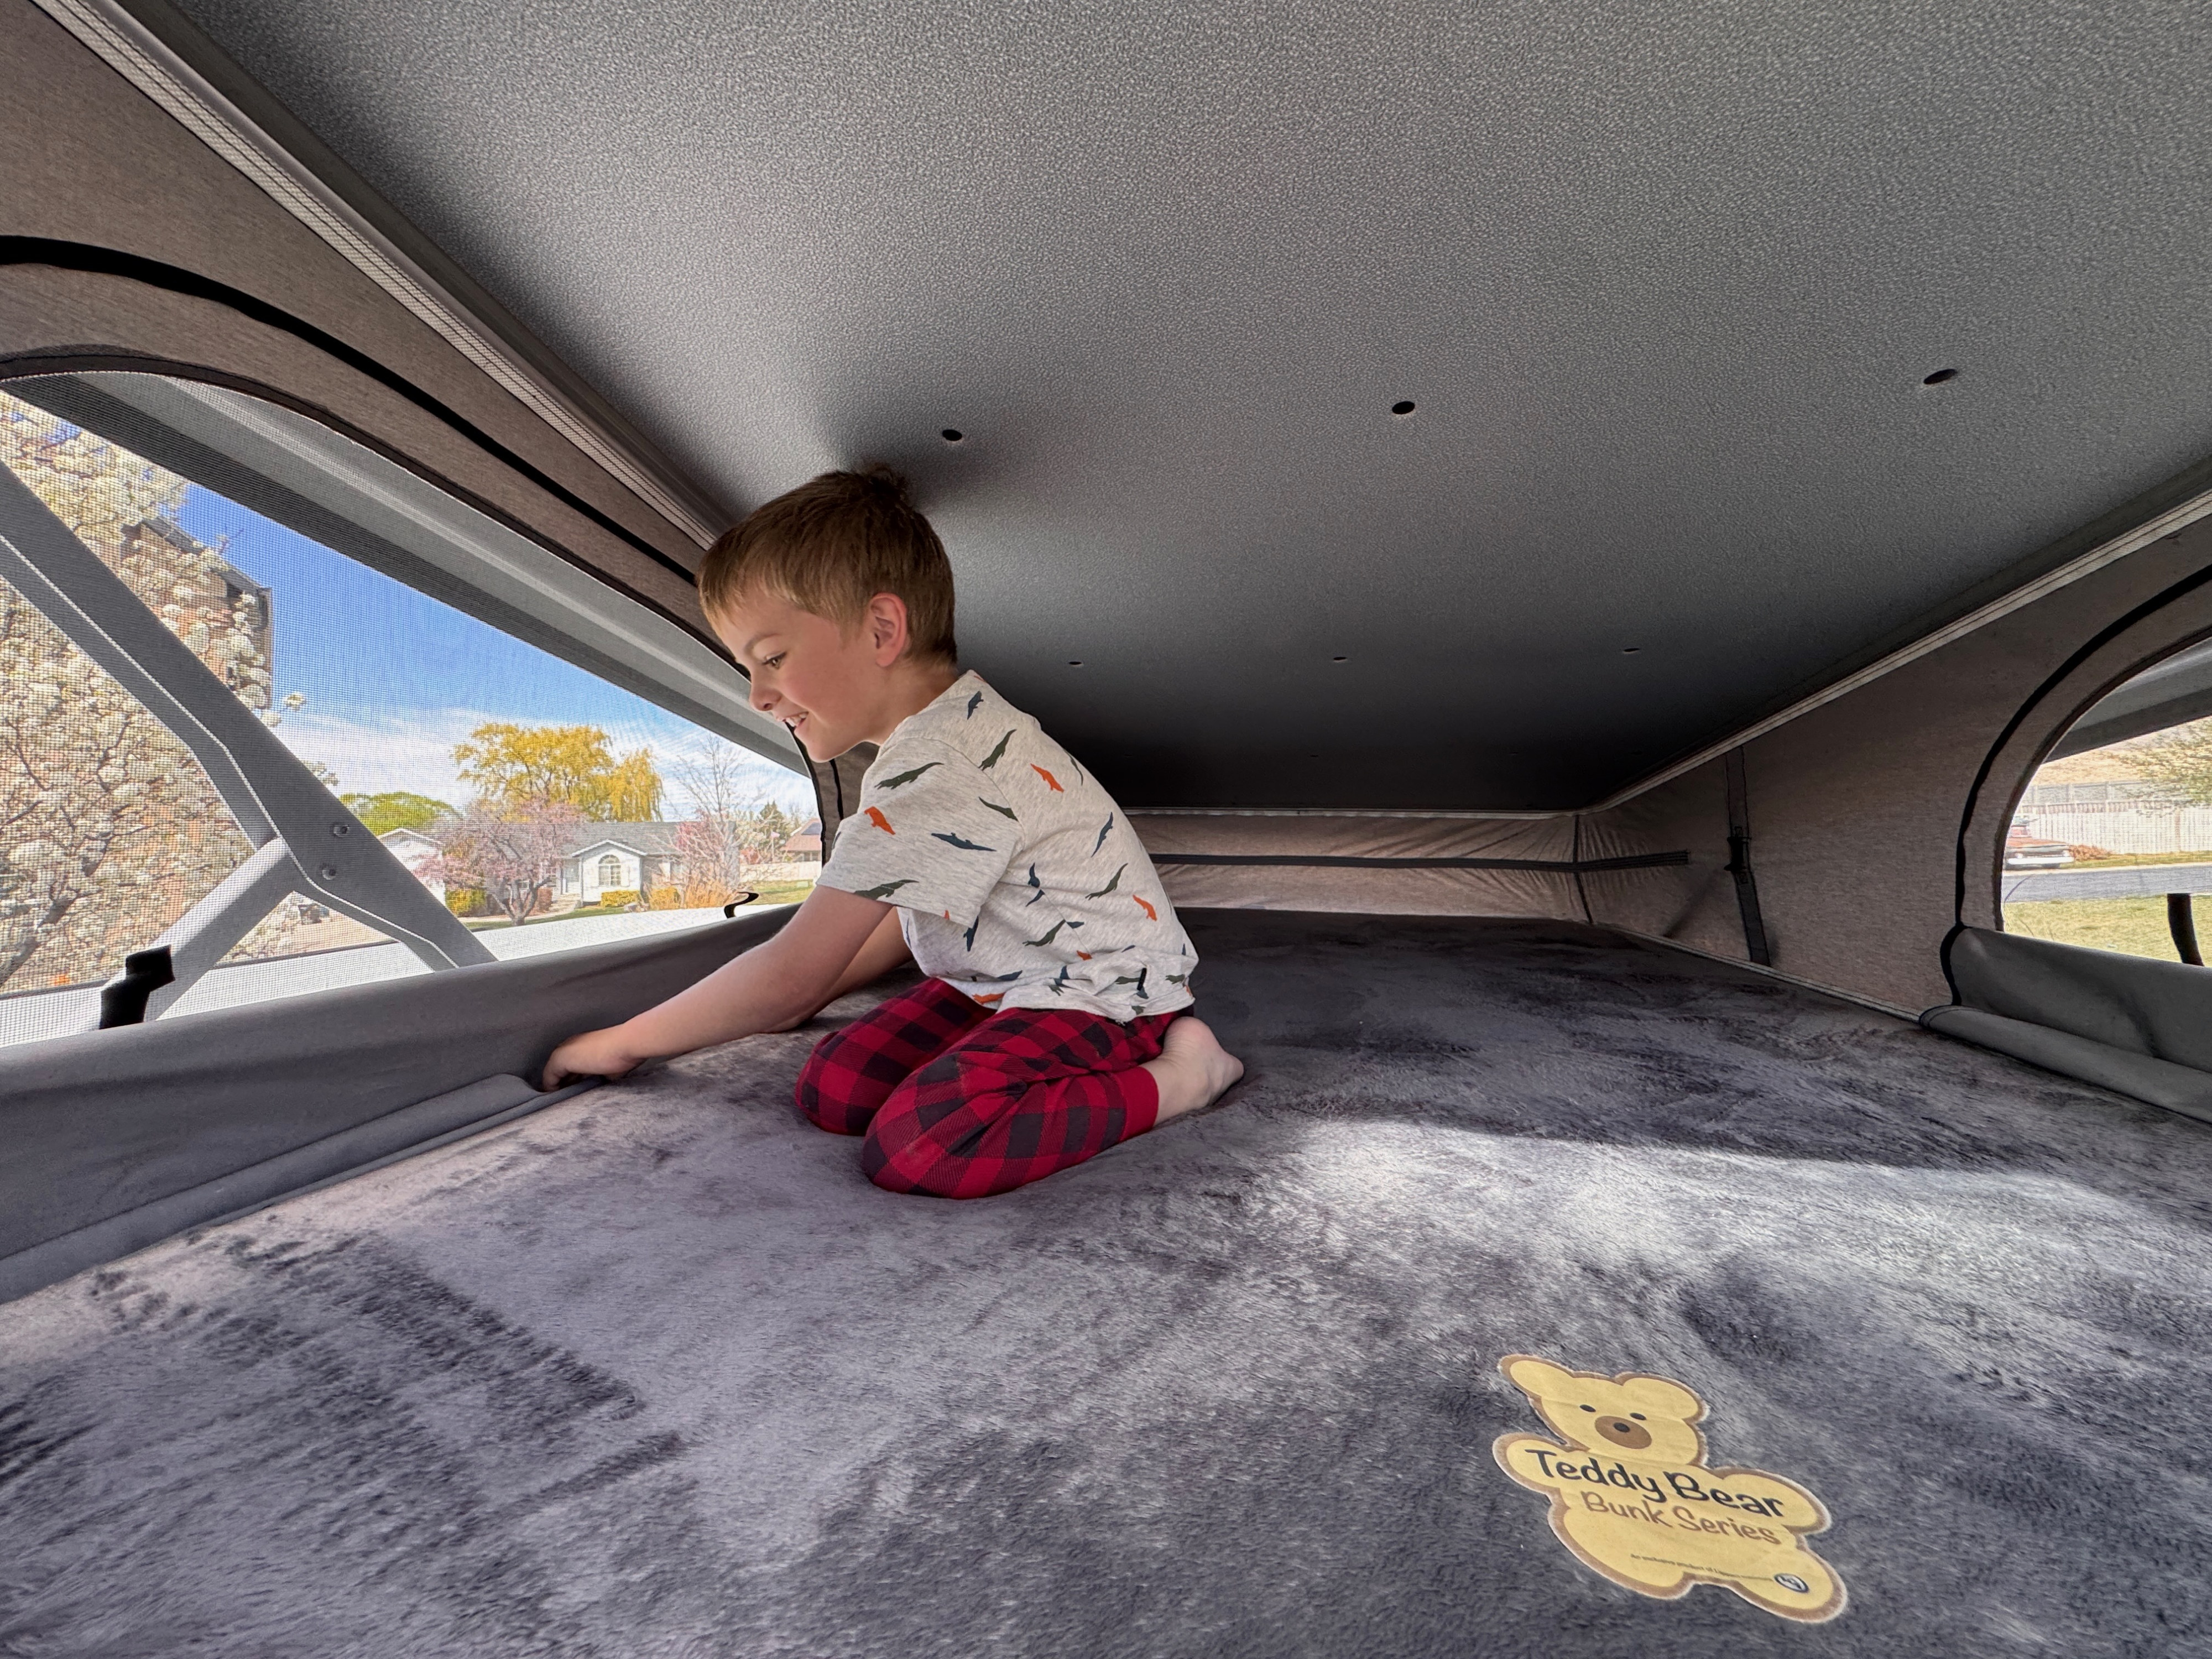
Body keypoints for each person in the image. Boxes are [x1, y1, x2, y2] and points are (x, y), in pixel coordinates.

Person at [542, 466, 1243, 1196]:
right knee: (835, 1089)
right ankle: (1031, 1054)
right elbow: (885, 920)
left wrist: (621, 1043)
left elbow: (788, 979)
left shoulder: (942, 763)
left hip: (1105, 993)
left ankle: (1182, 1078)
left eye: (772, 658)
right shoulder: (937, 740)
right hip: (1002, 982)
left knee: (927, 1145)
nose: (756, 696)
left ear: (882, 630)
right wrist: (810, 991)